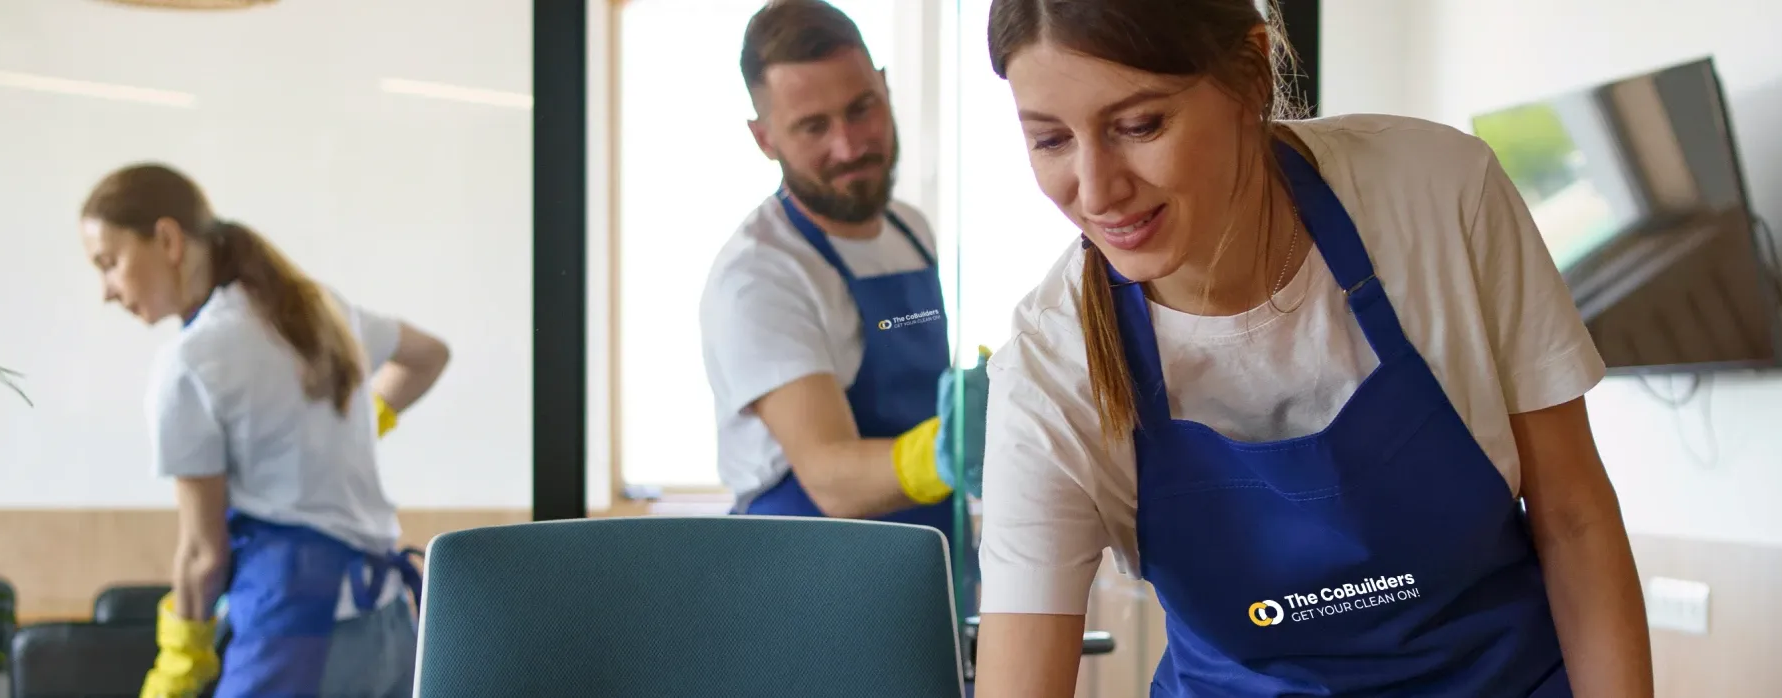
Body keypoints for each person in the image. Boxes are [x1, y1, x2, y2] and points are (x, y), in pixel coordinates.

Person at [967, 1, 1655, 696]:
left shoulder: (1437, 194)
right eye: (1051, 141)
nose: (1097, 189)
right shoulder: (1050, 367)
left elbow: (1573, 520)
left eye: (1140, 125)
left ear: (1251, 73)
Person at [78, 163, 451, 698]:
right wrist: (359, 426)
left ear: (166, 239)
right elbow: (429, 356)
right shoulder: (317, 308)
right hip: (390, 627)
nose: (107, 291)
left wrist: (178, 668)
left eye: (109, 263)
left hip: (296, 632)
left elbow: (203, 555)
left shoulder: (191, 362)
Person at [701, 0, 988, 560]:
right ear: (765, 140)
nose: (850, 146)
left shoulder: (912, 230)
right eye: (814, 126)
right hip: (806, 584)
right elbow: (829, 475)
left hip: (926, 558)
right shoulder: (759, 277)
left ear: (883, 88)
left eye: (862, 109)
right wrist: (949, 452)